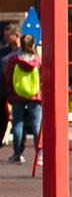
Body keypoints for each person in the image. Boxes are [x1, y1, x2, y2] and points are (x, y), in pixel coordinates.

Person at [7, 32, 39, 162]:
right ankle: (40, 154)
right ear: (33, 44)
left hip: (17, 94)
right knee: (36, 124)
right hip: (35, 95)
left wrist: (11, 92)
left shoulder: (14, 60)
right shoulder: (37, 60)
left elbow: (8, 77)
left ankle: (17, 154)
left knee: (18, 124)